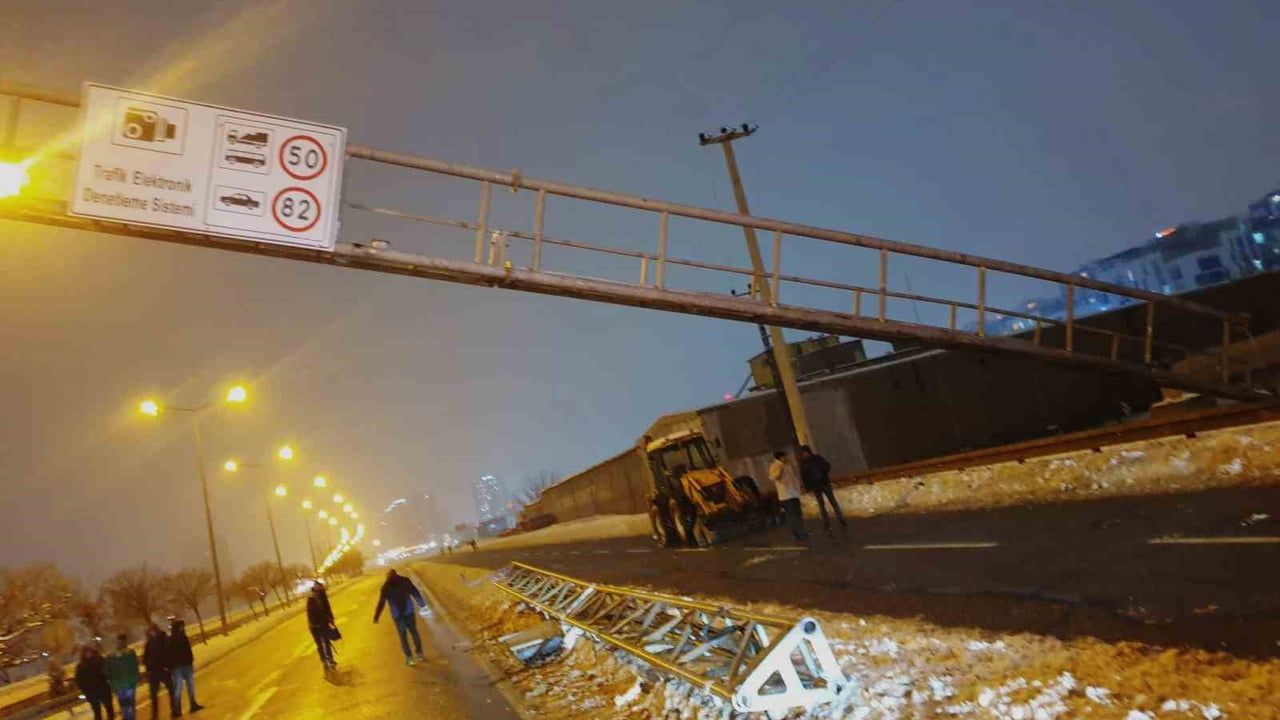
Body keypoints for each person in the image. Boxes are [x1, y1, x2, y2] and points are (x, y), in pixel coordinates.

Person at [373, 569, 427, 666]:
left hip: (398, 615)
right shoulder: (404, 581)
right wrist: (422, 604)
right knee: (413, 632)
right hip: (408, 612)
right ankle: (419, 654)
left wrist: (376, 617)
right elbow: (415, 592)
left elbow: (381, 603)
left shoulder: (386, 587)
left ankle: (409, 658)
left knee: (403, 636)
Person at [799, 445, 846, 535]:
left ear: (808, 452)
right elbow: (804, 476)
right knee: (821, 505)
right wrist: (808, 488)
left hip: (824, 483)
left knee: (833, 501)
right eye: (803, 453)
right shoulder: (803, 463)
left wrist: (822, 473)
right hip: (816, 486)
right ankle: (826, 522)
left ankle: (840, 518)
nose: (804, 454)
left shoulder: (817, 458)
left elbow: (827, 466)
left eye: (805, 452)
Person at [768, 450, 809, 542]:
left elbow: (794, 478)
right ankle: (796, 533)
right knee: (792, 515)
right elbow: (772, 477)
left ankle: (801, 532)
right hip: (785, 495)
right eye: (784, 456)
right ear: (780, 457)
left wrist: (799, 489)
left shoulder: (788, 465)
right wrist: (779, 471)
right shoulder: (775, 466)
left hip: (794, 494)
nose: (786, 458)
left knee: (798, 514)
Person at [167, 619, 203, 716]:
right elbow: (170, 654)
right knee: (178, 688)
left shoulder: (183, 637)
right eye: (181, 626)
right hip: (178, 667)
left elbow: (188, 650)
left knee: (190, 686)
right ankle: (177, 709)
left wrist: (190, 660)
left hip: (186, 665)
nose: (183, 628)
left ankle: (193, 704)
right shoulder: (172, 639)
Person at [104, 633, 140, 720]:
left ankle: (129, 718)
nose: (120, 643)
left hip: (125, 684)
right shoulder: (113, 656)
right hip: (123, 685)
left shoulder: (128, 654)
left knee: (127, 705)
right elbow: (107, 671)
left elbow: (135, 668)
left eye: (121, 641)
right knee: (126, 705)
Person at [75, 644, 115, 720]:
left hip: (103, 689)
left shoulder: (99, 660)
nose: (88, 654)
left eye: (89, 652)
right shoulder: (81, 666)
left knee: (109, 709)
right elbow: (79, 681)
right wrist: (85, 691)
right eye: (86, 653)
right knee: (97, 713)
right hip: (92, 693)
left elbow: (108, 671)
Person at [142, 623, 173, 720]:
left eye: (152, 630)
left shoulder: (164, 639)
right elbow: (145, 657)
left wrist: (168, 666)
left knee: (171, 690)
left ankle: (175, 709)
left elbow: (169, 652)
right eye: (149, 631)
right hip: (154, 672)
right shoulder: (149, 643)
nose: (151, 633)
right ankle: (154, 716)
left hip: (163, 670)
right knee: (153, 695)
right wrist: (148, 667)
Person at [306, 581, 338, 670]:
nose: (323, 590)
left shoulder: (321, 596)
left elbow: (327, 608)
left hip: (321, 624)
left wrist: (331, 620)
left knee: (326, 642)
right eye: (321, 588)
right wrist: (321, 622)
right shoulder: (312, 598)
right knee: (321, 643)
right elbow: (312, 614)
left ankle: (329, 660)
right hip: (316, 626)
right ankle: (325, 661)